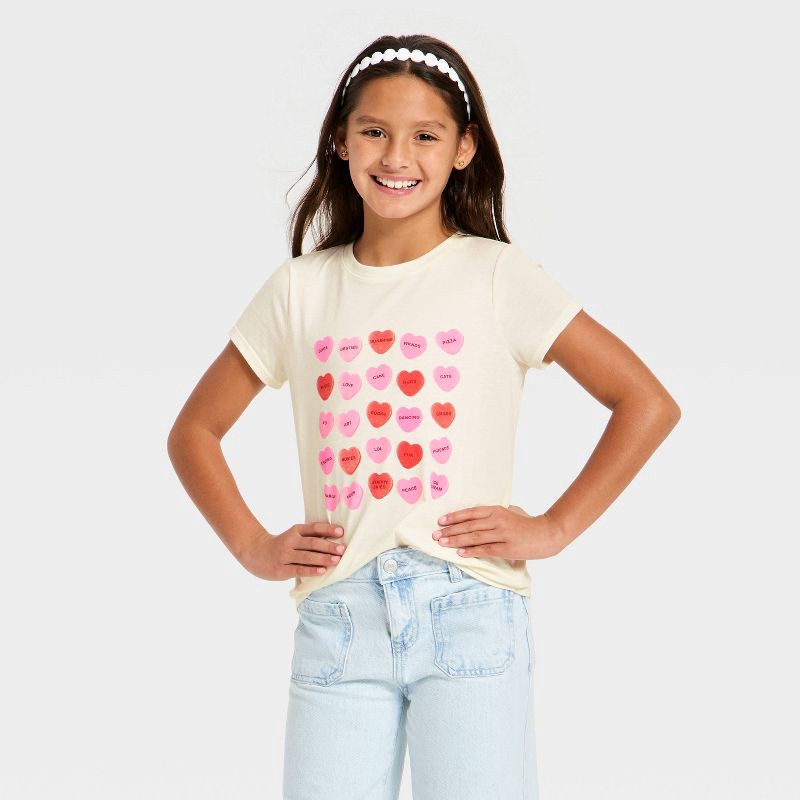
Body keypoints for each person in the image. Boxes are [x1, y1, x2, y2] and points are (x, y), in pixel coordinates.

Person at [167, 33, 681, 800]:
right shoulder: (300, 290)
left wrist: (555, 527)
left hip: (468, 608)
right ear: (341, 141)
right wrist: (251, 545)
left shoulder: (498, 275)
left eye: (425, 136)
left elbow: (646, 402)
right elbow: (193, 432)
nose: (396, 156)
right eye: (375, 131)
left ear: (464, 148)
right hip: (339, 617)